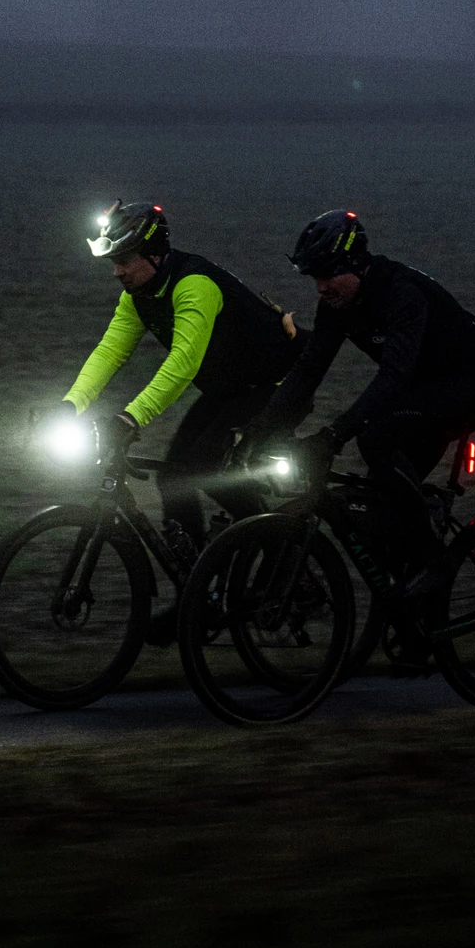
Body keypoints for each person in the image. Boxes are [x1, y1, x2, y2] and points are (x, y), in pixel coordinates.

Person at [55, 199, 305, 637]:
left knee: (205, 470)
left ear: (154, 254)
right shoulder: (139, 296)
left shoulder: (194, 286)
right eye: (113, 261)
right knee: (174, 476)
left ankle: (283, 556)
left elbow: (182, 365)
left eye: (125, 260)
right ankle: (199, 596)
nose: (117, 271)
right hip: (230, 391)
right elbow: (109, 352)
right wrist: (70, 405)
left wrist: (131, 419)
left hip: (277, 388)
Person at [243, 209, 475, 601]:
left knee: (375, 439)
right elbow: (307, 371)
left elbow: (393, 379)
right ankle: (418, 621)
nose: (320, 288)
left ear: (356, 265)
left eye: (327, 275)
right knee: (385, 512)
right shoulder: (338, 304)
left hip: (470, 386)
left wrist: (333, 435)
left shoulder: (402, 294)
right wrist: (262, 428)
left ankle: (436, 562)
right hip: (423, 389)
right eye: (314, 278)